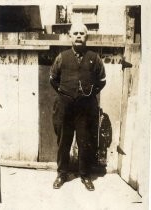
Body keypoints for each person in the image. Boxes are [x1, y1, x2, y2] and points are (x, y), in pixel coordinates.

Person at [49, 22, 106, 191]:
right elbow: (53, 79)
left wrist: (88, 95)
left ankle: (85, 175)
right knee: (63, 142)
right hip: (65, 107)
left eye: (82, 33)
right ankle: (62, 174)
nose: (79, 36)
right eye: (76, 33)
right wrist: (64, 92)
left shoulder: (94, 57)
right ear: (70, 36)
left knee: (85, 141)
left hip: (85, 109)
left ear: (86, 37)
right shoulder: (62, 57)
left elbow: (102, 81)